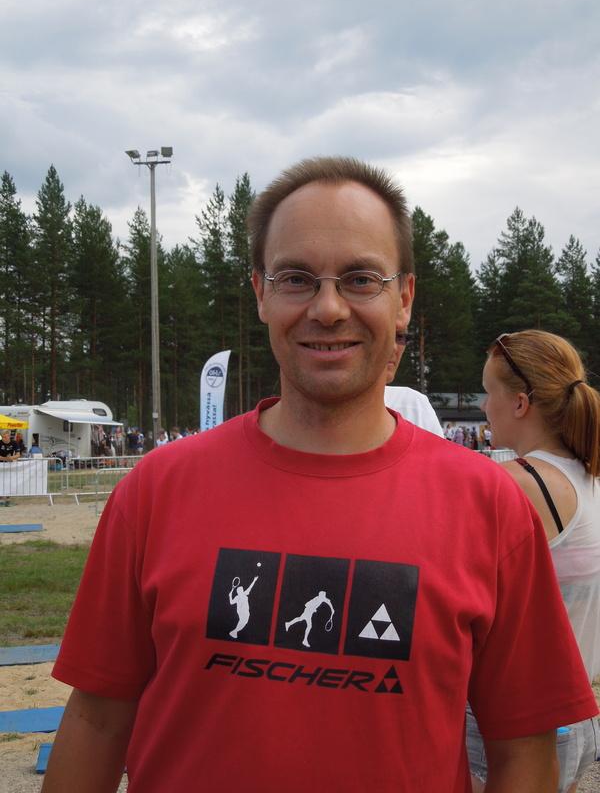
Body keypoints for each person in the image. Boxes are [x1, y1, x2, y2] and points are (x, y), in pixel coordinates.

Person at [44, 158, 597, 793]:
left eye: (360, 279)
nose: (328, 309)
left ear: (403, 299)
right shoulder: (155, 491)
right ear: (261, 292)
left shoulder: (490, 506)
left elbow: (523, 751)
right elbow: (96, 719)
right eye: (297, 279)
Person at [467, 330, 600, 793]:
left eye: (489, 393)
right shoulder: (589, 478)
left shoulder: (513, 484)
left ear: (520, 403)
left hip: (513, 726)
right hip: (577, 716)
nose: (485, 408)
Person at [0, 429, 21, 506]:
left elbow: (18, 455)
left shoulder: (14, 443)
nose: (5, 438)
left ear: (9, 436)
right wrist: (6, 458)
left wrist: (11, 458)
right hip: (1, 464)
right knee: (1, 481)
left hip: (10, 465)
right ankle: (1, 500)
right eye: (3, 437)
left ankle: (8, 500)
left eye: (7, 436)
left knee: (9, 482)